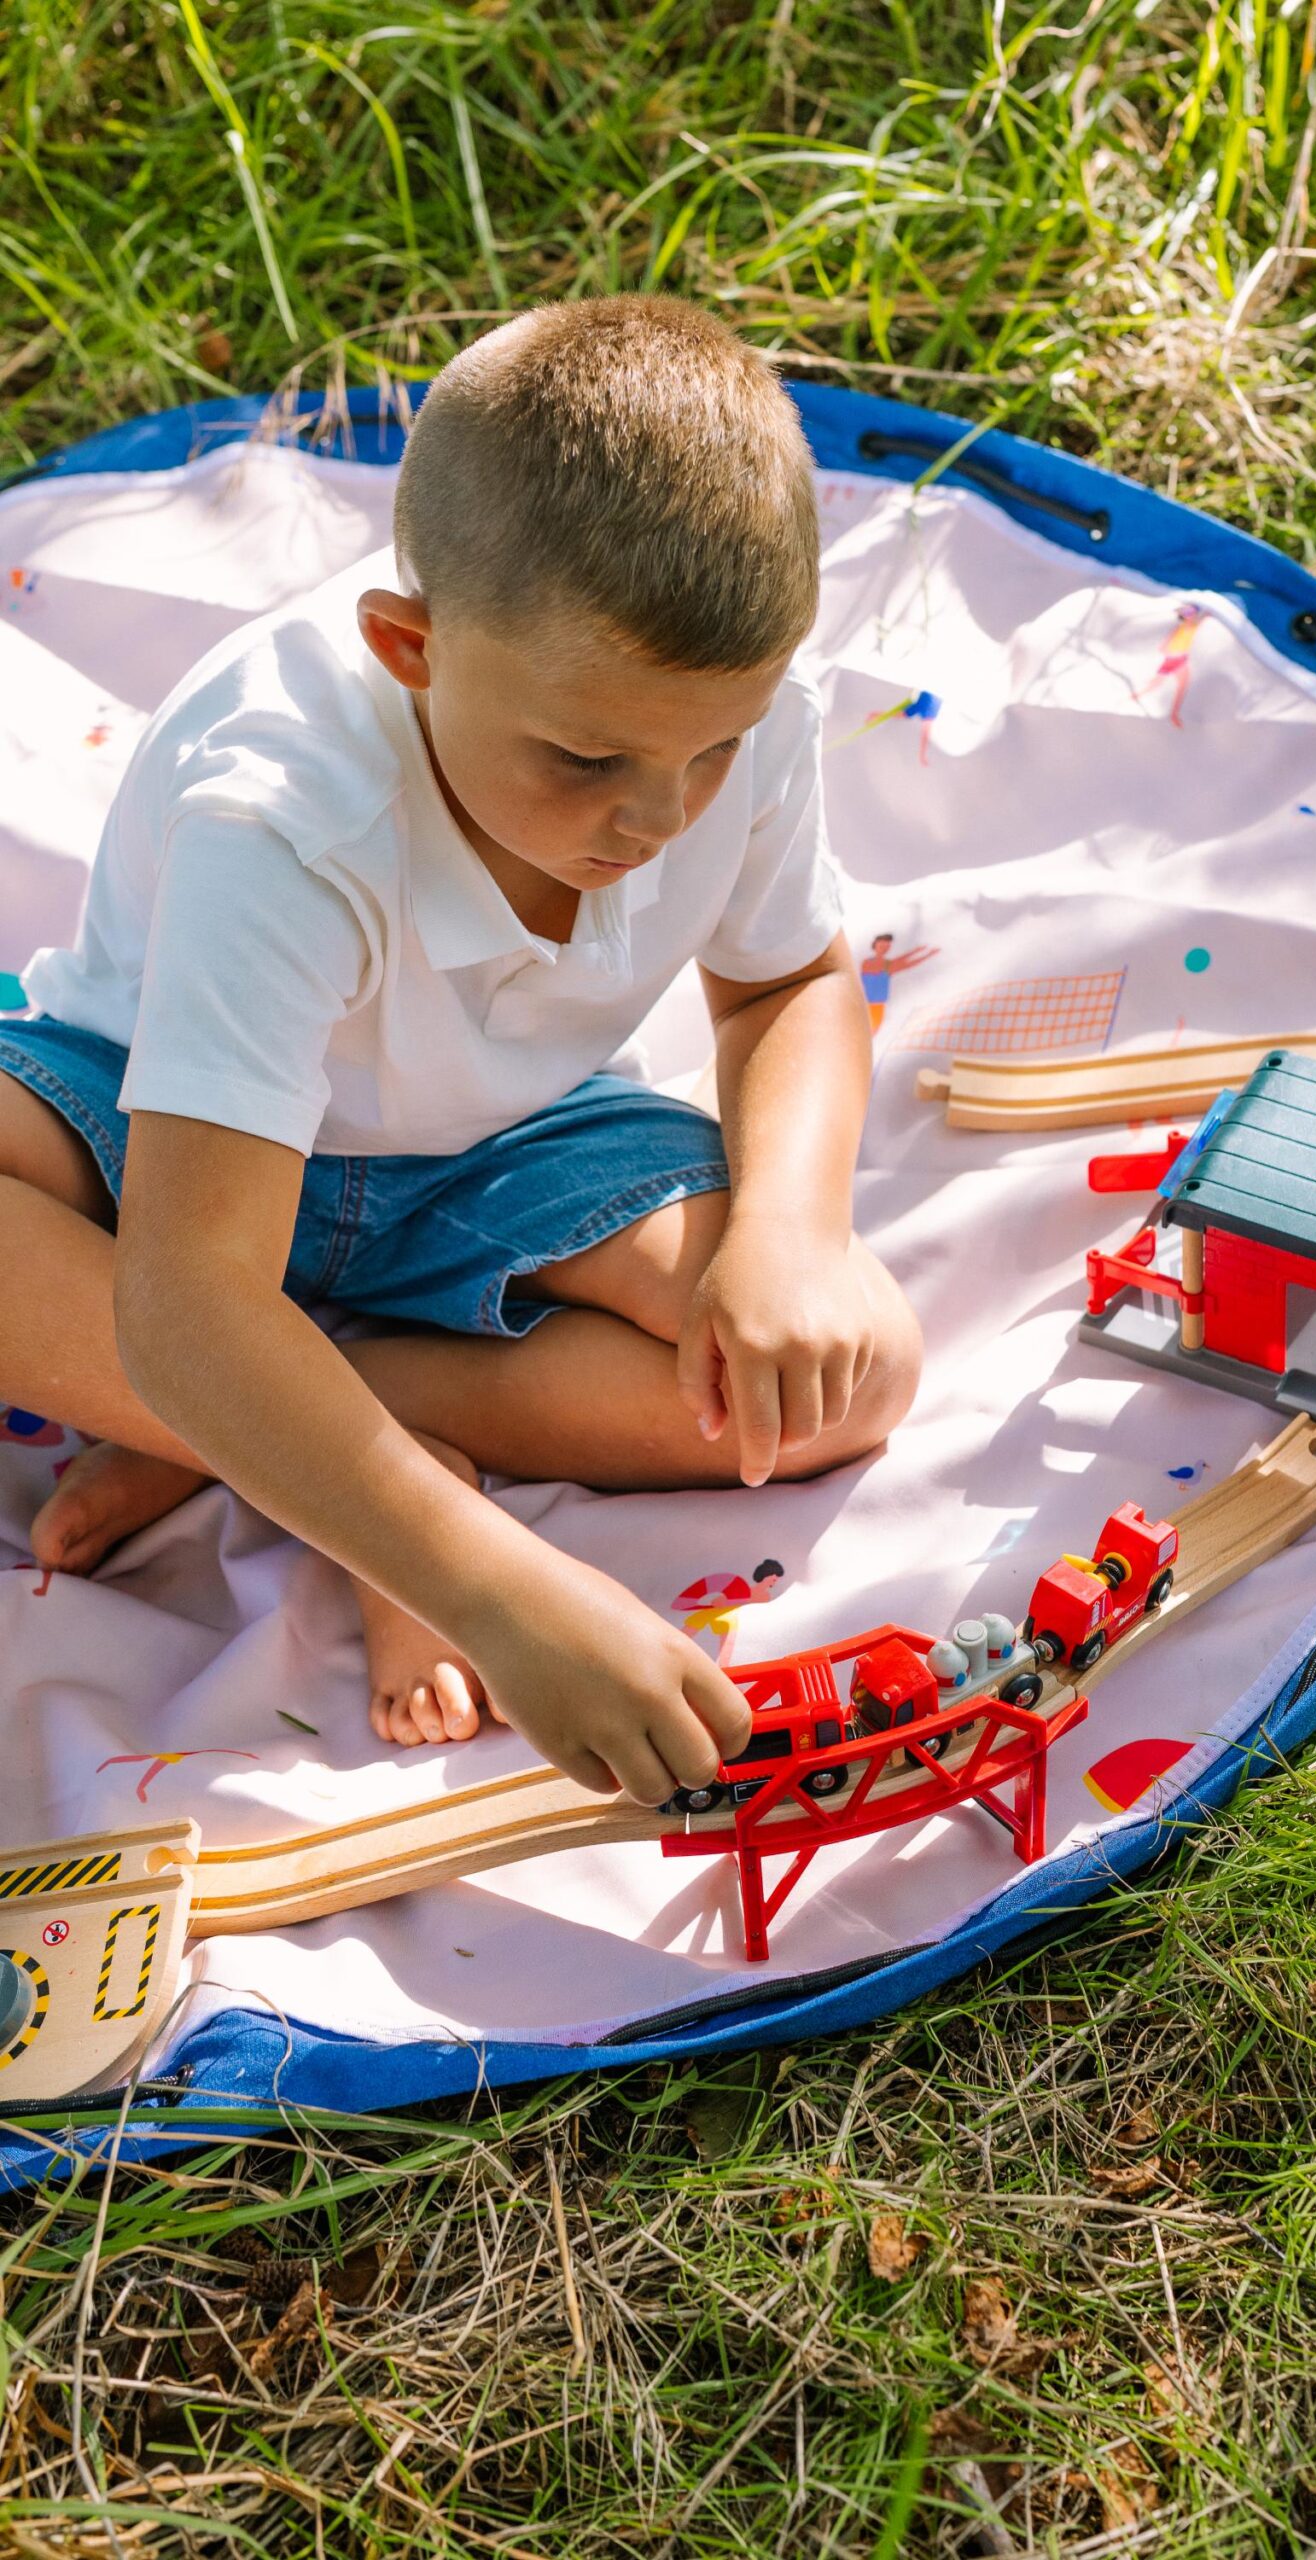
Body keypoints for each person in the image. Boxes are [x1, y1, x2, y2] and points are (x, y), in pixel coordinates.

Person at [0, 294, 923, 1807]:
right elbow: (191, 1290)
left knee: (844, 1370)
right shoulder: (283, 819)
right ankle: (308, 1445)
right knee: (138, 1297)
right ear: (410, 648)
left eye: (713, 749)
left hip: (499, 1146)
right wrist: (501, 1591)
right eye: (588, 758)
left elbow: (787, 985)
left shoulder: (734, 723)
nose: (659, 814)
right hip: (153, 1138)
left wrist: (789, 1234)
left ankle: (338, 1419)